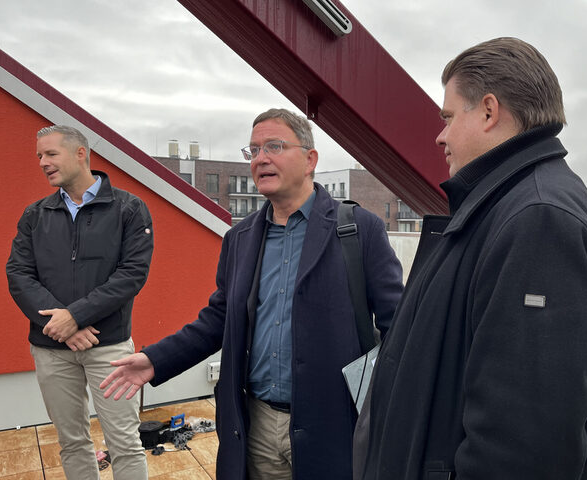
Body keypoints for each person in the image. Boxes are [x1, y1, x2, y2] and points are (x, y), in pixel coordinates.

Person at [354, 37, 587, 480]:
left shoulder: (540, 221)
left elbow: (523, 449)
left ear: (489, 111)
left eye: (447, 116)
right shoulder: (501, 208)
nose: (439, 135)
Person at [100, 108, 403, 480]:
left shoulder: (359, 230)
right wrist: (155, 360)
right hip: (255, 425)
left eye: (274, 146)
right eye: (253, 150)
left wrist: (394, 411)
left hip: (334, 425)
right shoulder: (240, 239)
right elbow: (219, 319)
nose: (261, 159)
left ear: (310, 159)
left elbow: (398, 327)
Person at [6, 125, 153, 480]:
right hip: (51, 346)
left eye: (51, 154)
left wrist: (75, 316)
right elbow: (19, 274)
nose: (42, 162)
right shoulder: (35, 214)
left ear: (80, 154)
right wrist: (60, 326)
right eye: (39, 156)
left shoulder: (129, 209)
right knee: (72, 442)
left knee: (125, 443)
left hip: (110, 348)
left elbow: (131, 274)